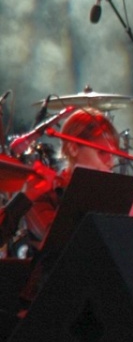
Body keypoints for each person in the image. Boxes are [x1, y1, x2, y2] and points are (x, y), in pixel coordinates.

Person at [1, 107, 120, 258]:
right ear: (73, 148)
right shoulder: (43, 194)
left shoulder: (113, 192)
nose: (110, 162)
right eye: (102, 152)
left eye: (114, 154)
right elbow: (57, 244)